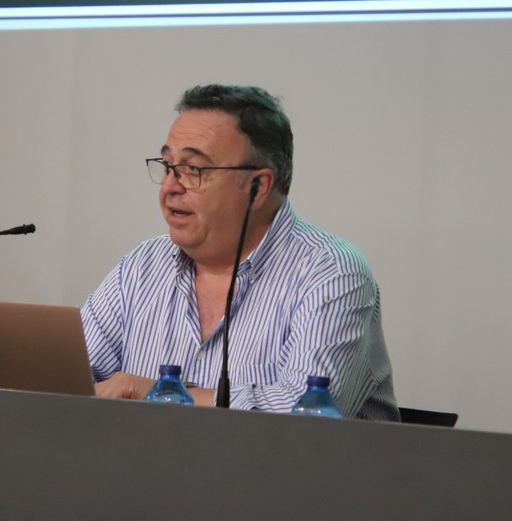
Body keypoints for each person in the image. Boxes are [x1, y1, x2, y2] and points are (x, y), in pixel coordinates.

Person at [81, 85, 398, 419]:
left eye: (193, 170)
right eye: (168, 164)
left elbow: (305, 414)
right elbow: (69, 380)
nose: (170, 187)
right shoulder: (142, 267)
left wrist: (155, 392)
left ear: (258, 187)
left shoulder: (331, 272)